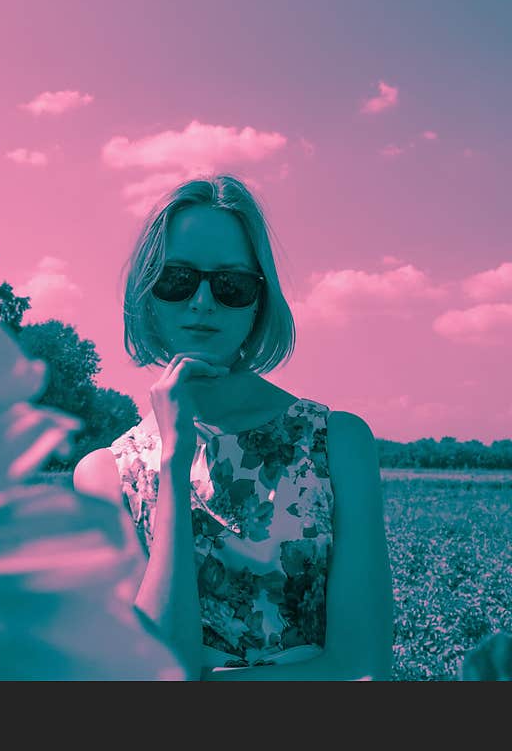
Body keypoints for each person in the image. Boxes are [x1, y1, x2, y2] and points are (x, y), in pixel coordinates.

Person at [73, 176, 394, 681]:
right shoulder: (104, 475)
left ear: (260, 302)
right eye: (177, 279)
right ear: (147, 293)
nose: (202, 302)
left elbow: (363, 668)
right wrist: (174, 463)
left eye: (232, 286)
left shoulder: (338, 443)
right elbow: (159, 672)